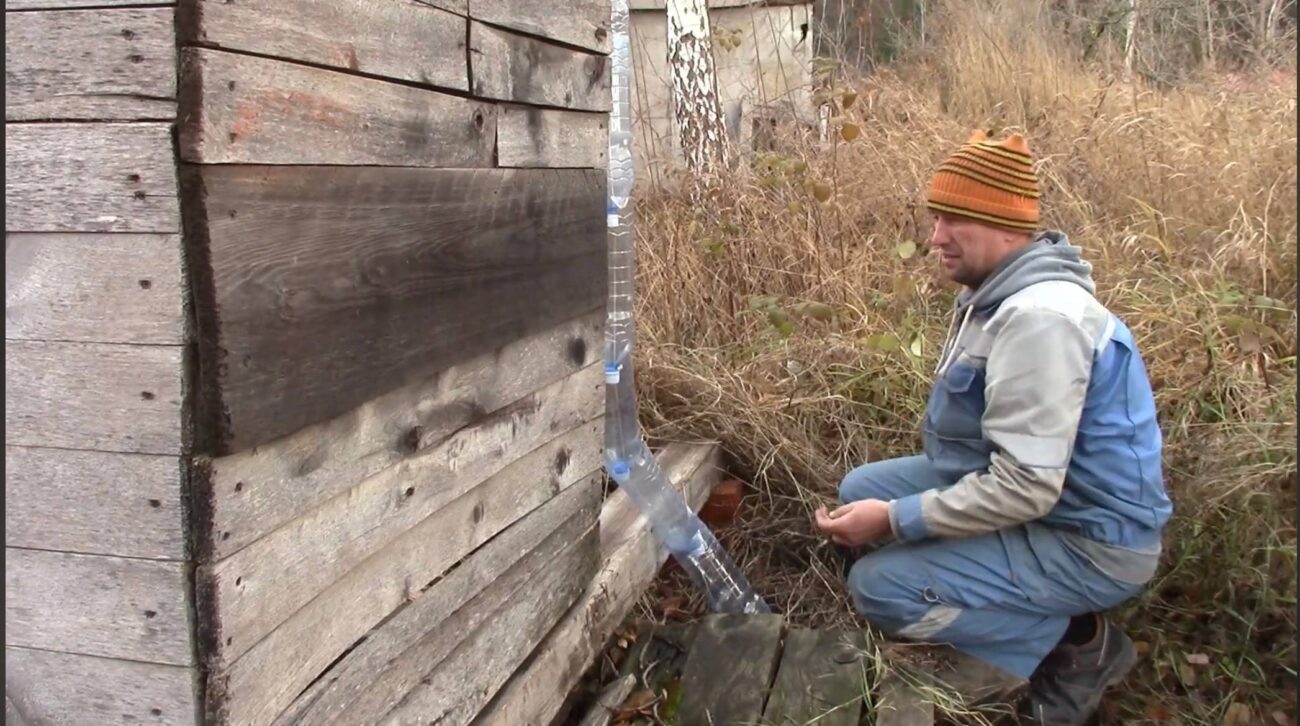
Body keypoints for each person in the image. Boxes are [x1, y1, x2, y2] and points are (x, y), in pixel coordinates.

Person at [813, 130, 1172, 725]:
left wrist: (899, 521)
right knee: (860, 491)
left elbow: (1029, 487)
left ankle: (1075, 644)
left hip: (1088, 543)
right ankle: (987, 590)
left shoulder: (1040, 319)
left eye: (953, 219)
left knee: (879, 587)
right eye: (936, 219)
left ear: (1005, 224)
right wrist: (891, 514)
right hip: (1042, 509)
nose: (935, 237)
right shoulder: (999, 296)